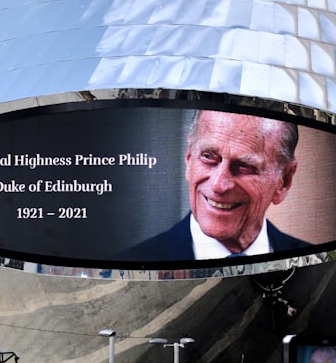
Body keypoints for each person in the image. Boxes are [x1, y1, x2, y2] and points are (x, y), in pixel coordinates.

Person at [120, 110, 308, 261]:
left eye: (244, 166)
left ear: (284, 181)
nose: (219, 185)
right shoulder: (131, 264)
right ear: (189, 158)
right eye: (208, 157)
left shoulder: (312, 262)